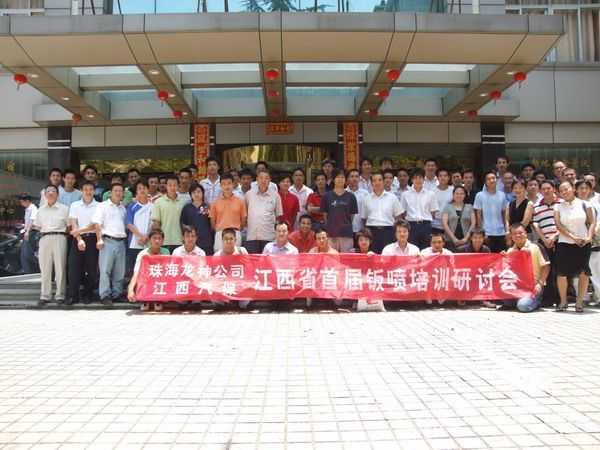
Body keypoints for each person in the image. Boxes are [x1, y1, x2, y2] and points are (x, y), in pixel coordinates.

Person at [554, 181, 595, 312]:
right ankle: (563, 301)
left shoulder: (585, 204)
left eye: (566, 189)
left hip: (583, 242)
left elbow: (592, 222)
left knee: (583, 272)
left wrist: (589, 237)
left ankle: (579, 302)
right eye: (561, 191)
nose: (564, 192)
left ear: (573, 189)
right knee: (561, 273)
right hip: (564, 242)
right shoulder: (558, 206)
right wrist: (573, 237)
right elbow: (558, 225)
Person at [501, 223, 550, 312]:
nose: (518, 235)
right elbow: (506, 270)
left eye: (520, 233)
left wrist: (540, 283)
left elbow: (546, 266)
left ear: (526, 233)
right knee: (505, 300)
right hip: (517, 287)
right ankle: (519, 300)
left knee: (523, 306)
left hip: (533, 287)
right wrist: (502, 258)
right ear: (511, 236)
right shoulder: (510, 251)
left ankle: (536, 301)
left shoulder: (536, 247)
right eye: (514, 234)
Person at [34, 185, 69, 306]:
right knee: (45, 268)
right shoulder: (40, 210)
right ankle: (45, 295)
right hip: (44, 238)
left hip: (60, 237)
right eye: (48, 191)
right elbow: (37, 226)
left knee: (60, 267)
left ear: (57, 194)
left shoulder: (64, 209)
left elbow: (69, 226)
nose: (50, 193)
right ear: (45, 194)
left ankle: (60, 295)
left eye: (53, 191)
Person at [93, 183, 127, 307]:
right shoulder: (102, 206)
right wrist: (99, 239)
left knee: (119, 271)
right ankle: (105, 295)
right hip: (107, 241)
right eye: (115, 190)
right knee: (105, 270)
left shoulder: (123, 209)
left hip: (121, 242)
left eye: (120, 191)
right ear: (110, 193)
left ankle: (117, 294)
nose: (118, 193)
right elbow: (97, 224)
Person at [67, 181, 99, 305]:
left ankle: (88, 295)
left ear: (94, 191)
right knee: (73, 268)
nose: (88, 192)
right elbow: (73, 223)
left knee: (91, 269)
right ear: (81, 191)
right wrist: (79, 239)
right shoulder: (75, 205)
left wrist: (79, 231)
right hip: (77, 239)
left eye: (91, 189)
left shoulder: (99, 206)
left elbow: (95, 225)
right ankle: (73, 296)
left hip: (93, 239)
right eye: (85, 189)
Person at [532, 180, 562, 307]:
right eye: (543, 189)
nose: (546, 191)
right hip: (544, 242)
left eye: (548, 188)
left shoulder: (562, 203)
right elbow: (536, 224)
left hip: (560, 240)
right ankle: (548, 298)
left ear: (554, 189)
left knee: (560, 270)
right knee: (546, 270)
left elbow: (565, 223)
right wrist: (544, 239)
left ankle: (561, 299)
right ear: (540, 191)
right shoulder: (537, 206)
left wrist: (554, 237)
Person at [127, 228, 170, 312]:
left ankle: (159, 300)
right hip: (146, 280)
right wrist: (130, 290)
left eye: (159, 238)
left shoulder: (166, 252)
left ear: (162, 241)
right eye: (154, 238)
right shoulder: (142, 254)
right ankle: (145, 299)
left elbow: (167, 271)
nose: (157, 241)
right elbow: (136, 273)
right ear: (150, 240)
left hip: (160, 280)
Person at [363, 172, 404, 253]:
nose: (377, 183)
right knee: (372, 256)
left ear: (383, 182)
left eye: (380, 180)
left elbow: (398, 216)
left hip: (388, 231)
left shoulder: (392, 197)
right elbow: (364, 218)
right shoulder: (366, 199)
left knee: (388, 256)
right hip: (371, 232)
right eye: (374, 180)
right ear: (371, 183)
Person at [245, 170, 283, 254]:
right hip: (252, 236)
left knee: (268, 261)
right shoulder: (249, 194)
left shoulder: (275, 196)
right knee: (253, 261)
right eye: (261, 178)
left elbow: (278, 217)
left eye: (266, 178)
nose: (263, 180)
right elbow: (245, 214)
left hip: (269, 237)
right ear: (257, 180)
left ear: (270, 180)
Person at [321, 170, 358, 253]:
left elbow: (352, 216)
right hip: (331, 234)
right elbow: (325, 215)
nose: (340, 179)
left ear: (345, 180)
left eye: (342, 177)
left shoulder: (351, 196)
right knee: (331, 258)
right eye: (338, 177)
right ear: (333, 179)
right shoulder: (326, 196)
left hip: (346, 234)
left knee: (346, 258)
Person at [400, 169, 438, 250]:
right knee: (412, 250)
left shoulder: (431, 194)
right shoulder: (405, 194)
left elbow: (433, 212)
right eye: (415, 178)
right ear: (412, 180)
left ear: (424, 179)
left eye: (420, 178)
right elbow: (403, 212)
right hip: (411, 225)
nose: (418, 180)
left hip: (426, 225)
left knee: (426, 250)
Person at [214, 228, 250, 309]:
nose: (228, 241)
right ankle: (224, 304)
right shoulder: (217, 255)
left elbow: (249, 269)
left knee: (246, 301)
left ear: (235, 240)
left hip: (240, 284)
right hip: (224, 285)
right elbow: (215, 275)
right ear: (222, 240)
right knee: (213, 294)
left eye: (231, 239)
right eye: (226, 239)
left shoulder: (242, 251)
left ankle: (239, 304)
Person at [210, 173, 247, 252]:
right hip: (220, 234)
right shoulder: (215, 202)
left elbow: (243, 221)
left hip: (235, 233)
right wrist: (219, 230)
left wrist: (237, 229)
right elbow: (212, 222)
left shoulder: (240, 201)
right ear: (220, 186)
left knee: (235, 256)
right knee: (219, 257)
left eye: (229, 183)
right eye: (224, 184)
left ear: (233, 184)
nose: (227, 186)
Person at [474, 171, 508, 252]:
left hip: (501, 232)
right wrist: (482, 233)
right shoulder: (480, 195)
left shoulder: (502, 195)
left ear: (497, 180)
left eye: (493, 178)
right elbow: (478, 216)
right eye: (488, 179)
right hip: (487, 233)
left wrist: (506, 230)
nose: (491, 180)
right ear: (485, 182)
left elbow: (504, 215)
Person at [125, 180, 153, 279]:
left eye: (144, 188)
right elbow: (129, 224)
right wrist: (141, 236)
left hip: (149, 243)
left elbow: (154, 224)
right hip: (134, 243)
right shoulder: (132, 206)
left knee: (148, 270)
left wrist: (147, 237)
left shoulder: (153, 206)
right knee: (134, 271)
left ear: (148, 190)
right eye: (139, 188)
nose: (142, 190)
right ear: (136, 191)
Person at [151, 175, 186, 253]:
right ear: (166, 186)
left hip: (180, 241)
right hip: (164, 241)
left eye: (175, 185)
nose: (172, 187)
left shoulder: (183, 202)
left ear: (178, 186)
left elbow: (185, 223)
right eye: (170, 185)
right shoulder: (158, 202)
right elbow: (156, 223)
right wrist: (158, 239)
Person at [180, 183, 214, 255]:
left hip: (206, 242)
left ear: (203, 193)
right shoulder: (186, 208)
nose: (196, 194)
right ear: (190, 195)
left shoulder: (208, 207)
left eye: (198, 192)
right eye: (194, 192)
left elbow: (212, 224)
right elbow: (183, 224)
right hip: (191, 242)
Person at [442, 186, 475, 251]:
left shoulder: (469, 207)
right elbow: (445, 224)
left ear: (465, 195)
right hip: (450, 240)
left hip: (466, 240)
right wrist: (453, 238)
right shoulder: (447, 207)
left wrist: (466, 238)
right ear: (453, 195)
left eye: (461, 193)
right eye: (457, 193)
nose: (459, 195)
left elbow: (473, 223)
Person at [505, 180, 534, 246]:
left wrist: (515, 233)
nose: (517, 190)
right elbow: (507, 220)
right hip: (512, 236)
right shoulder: (509, 204)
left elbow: (525, 222)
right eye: (515, 188)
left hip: (524, 234)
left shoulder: (529, 203)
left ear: (525, 189)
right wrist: (508, 232)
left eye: (520, 188)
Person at [19, 194, 38, 274]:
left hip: (31, 233)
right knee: (24, 254)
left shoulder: (33, 208)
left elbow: (33, 220)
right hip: (27, 231)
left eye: (22, 202)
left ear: (27, 201)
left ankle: (33, 270)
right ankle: (27, 270)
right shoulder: (27, 209)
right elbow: (28, 222)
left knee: (27, 253)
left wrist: (27, 232)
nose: (21, 204)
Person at [346, 169, 369, 236]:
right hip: (346, 229)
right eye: (352, 176)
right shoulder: (343, 193)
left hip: (361, 229)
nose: (354, 179)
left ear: (359, 179)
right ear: (347, 179)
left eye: (356, 176)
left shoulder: (365, 193)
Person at [431, 169, 453, 235]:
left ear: (449, 177)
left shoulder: (453, 190)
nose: (443, 178)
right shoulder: (432, 191)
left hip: (450, 225)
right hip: (435, 225)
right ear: (437, 178)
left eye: (445, 176)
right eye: (440, 176)